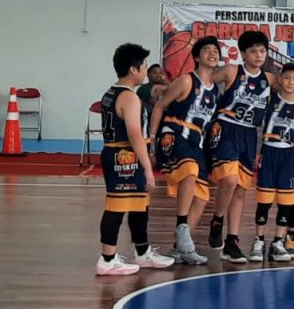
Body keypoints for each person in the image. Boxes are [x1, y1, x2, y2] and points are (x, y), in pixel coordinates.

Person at [95, 43, 174, 276]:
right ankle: (107, 259)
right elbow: (134, 134)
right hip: (124, 155)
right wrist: (148, 167)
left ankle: (142, 251)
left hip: (118, 153)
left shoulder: (111, 92)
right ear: (133, 69)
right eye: (144, 66)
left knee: (139, 203)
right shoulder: (129, 98)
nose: (146, 71)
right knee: (117, 207)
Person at [149, 36, 220, 265]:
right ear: (197, 57)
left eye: (215, 50)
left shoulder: (214, 90)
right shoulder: (186, 81)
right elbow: (160, 105)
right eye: (207, 49)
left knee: (202, 196)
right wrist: (152, 139)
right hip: (174, 134)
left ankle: (180, 249)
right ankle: (181, 225)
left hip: (196, 142)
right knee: (189, 171)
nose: (212, 53)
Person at [207, 30, 274, 264]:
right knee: (230, 179)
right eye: (253, 51)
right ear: (243, 54)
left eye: (262, 51)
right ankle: (217, 220)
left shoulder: (270, 79)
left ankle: (232, 241)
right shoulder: (231, 71)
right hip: (226, 128)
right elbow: (202, 80)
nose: (259, 55)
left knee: (240, 189)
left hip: (249, 134)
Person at [252, 62, 294, 262]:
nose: (290, 82)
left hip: (290, 155)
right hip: (269, 152)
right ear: (280, 78)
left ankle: (278, 241)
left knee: (286, 202)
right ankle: (259, 240)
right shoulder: (270, 100)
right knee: (264, 200)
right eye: (287, 78)